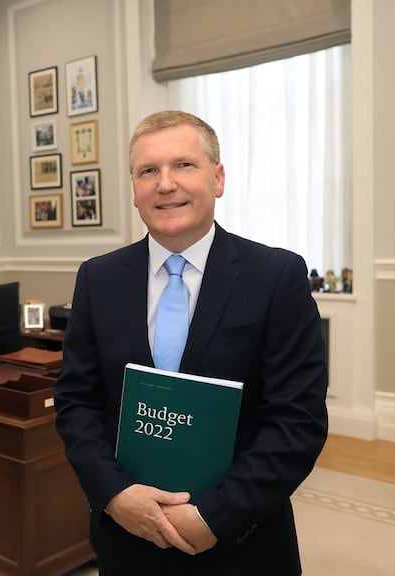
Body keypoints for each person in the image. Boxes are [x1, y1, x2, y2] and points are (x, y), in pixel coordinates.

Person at [53, 110, 328, 575]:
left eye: (184, 165)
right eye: (148, 170)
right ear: (134, 189)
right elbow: (77, 401)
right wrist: (115, 495)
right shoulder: (97, 279)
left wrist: (213, 517)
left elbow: (297, 421)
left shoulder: (276, 276)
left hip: (242, 545)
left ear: (217, 179)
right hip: (127, 539)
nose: (166, 184)